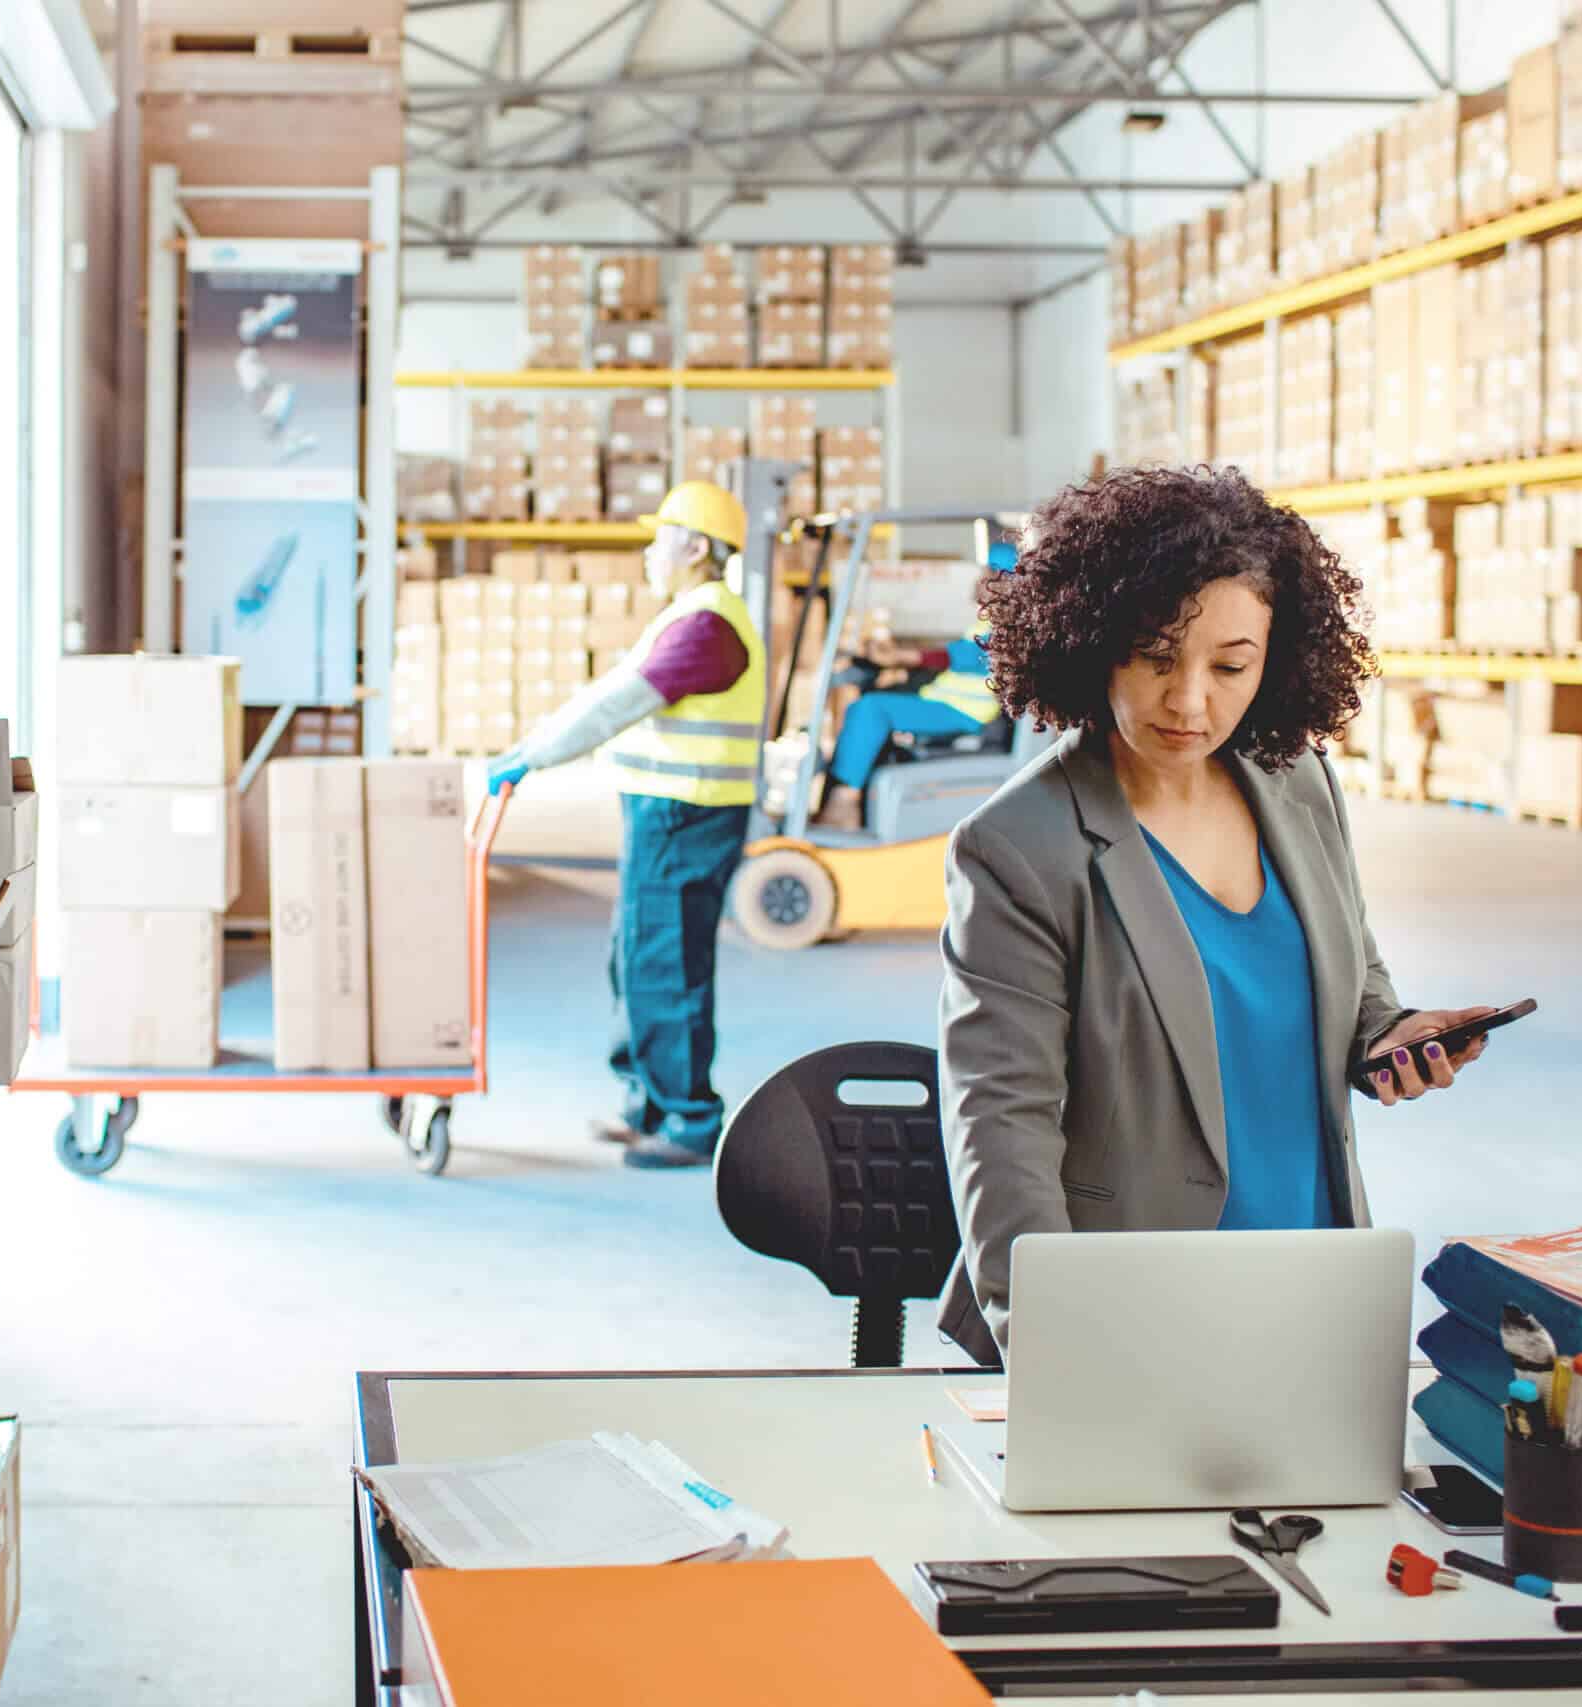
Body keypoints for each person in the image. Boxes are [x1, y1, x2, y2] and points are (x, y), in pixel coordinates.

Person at [934, 465, 1496, 1367]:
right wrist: (1053, 1348)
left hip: (1313, 1275)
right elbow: (1001, 1128)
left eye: (1231, 665)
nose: (1190, 700)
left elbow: (1352, 973)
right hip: (1132, 1307)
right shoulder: (1018, 848)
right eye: (1156, 655)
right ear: (1093, 642)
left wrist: (1387, 1033)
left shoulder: (1297, 781)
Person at [487, 481, 767, 1170]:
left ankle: (689, 1120)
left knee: (664, 964)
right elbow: (611, 693)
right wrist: (533, 744)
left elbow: (617, 704)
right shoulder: (689, 617)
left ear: (696, 549)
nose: (648, 552)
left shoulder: (707, 627)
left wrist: (533, 756)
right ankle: (645, 1101)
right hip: (669, 811)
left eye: (660, 538)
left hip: (687, 814)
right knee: (636, 956)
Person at [811, 630, 999, 830]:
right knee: (870, 706)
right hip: (946, 701)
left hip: (965, 711)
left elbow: (971, 655)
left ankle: (845, 803)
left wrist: (901, 656)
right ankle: (840, 797)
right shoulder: (988, 620)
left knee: (871, 709)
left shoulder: (1008, 622)